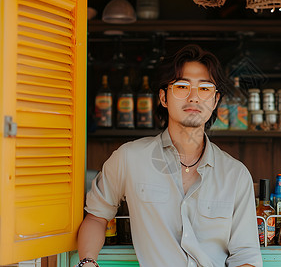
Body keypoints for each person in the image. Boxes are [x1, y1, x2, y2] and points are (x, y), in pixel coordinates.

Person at [78, 44, 262, 267]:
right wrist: (87, 263)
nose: (194, 97)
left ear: (215, 102)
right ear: (164, 98)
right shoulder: (129, 158)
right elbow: (97, 216)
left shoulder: (235, 174)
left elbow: (245, 256)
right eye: (182, 86)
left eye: (205, 88)